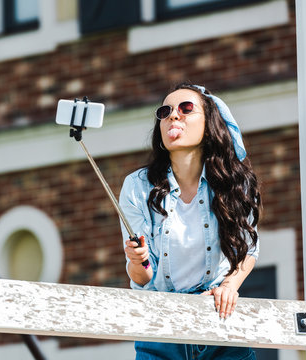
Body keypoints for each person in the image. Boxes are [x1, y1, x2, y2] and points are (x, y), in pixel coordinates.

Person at [119, 82, 261, 360]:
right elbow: (144, 276)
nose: (174, 115)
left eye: (186, 108)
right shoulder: (137, 186)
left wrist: (229, 286)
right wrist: (138, 261)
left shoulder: (235, 183)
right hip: (161, 332)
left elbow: (249, 249)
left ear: (209, 125)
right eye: (165, 111)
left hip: (221, 329)